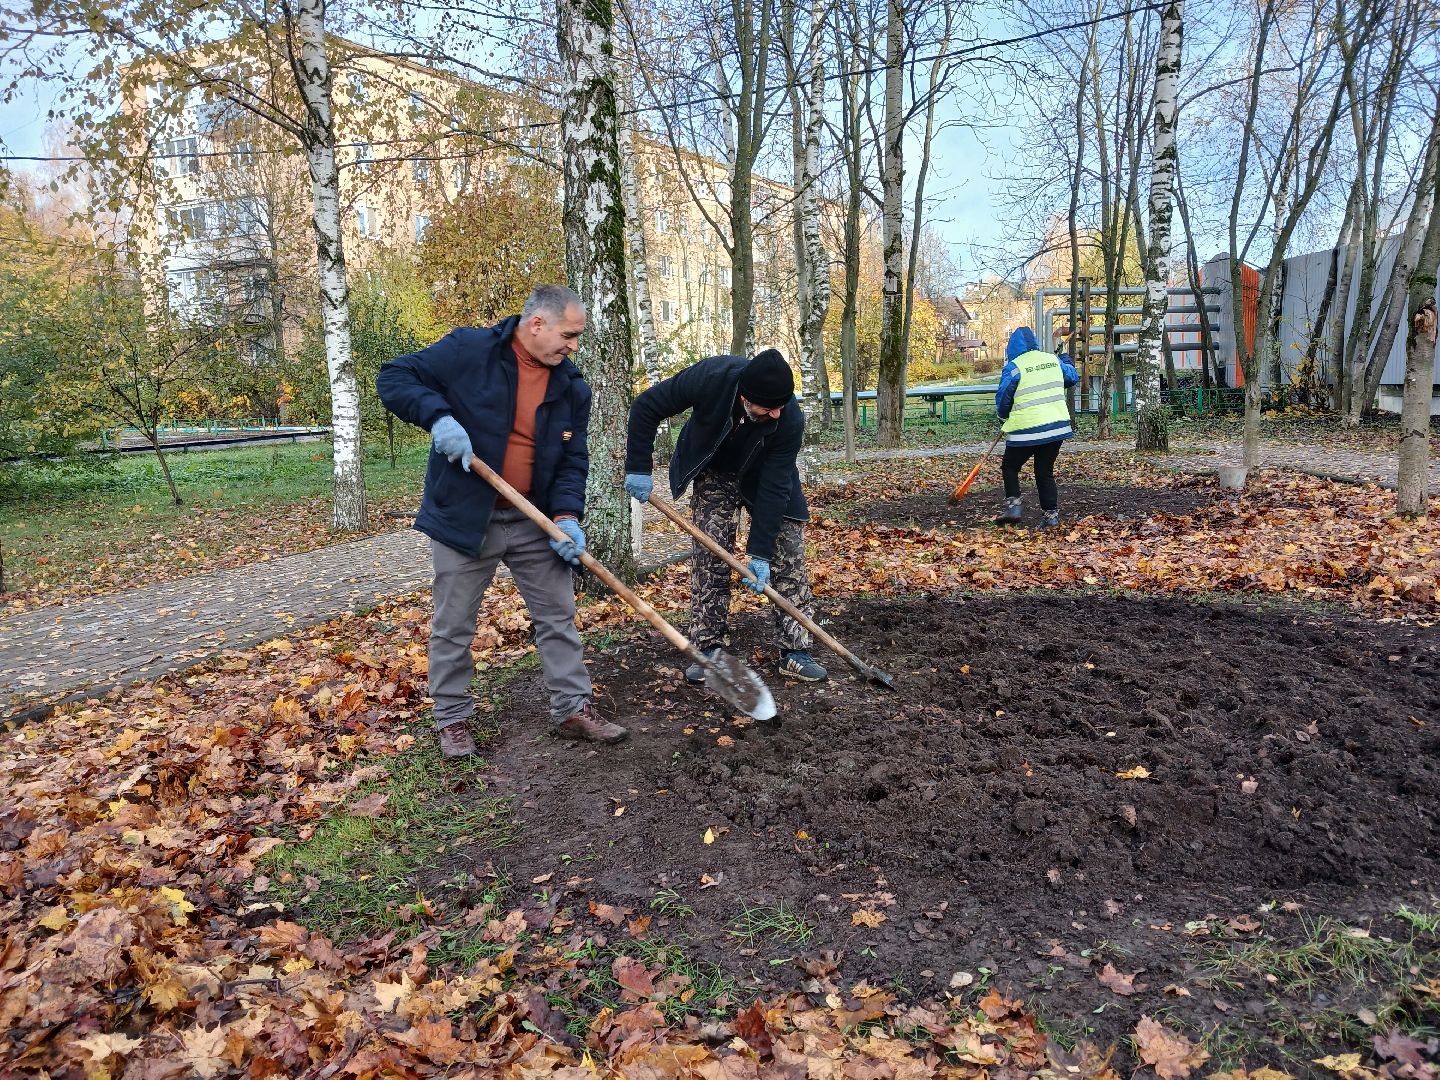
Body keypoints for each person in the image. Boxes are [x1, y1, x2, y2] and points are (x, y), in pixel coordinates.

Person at [377, 284, 628, 757]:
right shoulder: (470, 350)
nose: (574, 346)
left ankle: (572, 708)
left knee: (558, 616)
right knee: (454, 624)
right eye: (569, 335)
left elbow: (573, 460)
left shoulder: (571, 386)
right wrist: (438, 418)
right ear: (538, 324)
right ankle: (452, 720)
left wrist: (568, 516)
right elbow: (394, 376)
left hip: (534, 518)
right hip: (466, 518)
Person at [623, 349, 827, 684]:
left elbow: (776, 487)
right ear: (746, 397)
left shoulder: (788, 417)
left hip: (765, 476)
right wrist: (638, 467)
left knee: (787, 554)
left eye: (781, 405)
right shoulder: (711, 378)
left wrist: (759, 553)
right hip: (715, 470)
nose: (776, 413)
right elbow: (647, 406)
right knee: (711, 555)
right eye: (768, 407)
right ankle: (708, 650)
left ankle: (795, 651)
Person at [995, 325, 1080, 529]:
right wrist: (1065, 359)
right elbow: (1071, 377)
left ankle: (1014, 507)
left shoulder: (1014, 367)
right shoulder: (1053, 360)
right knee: (1044, 472)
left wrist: (1002, 418)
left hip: (1025, 429)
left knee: (1010, 466)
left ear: (1012, 348)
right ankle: (1051, 517)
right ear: (1034, 343)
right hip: (1056, 428)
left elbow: (1003, 398)